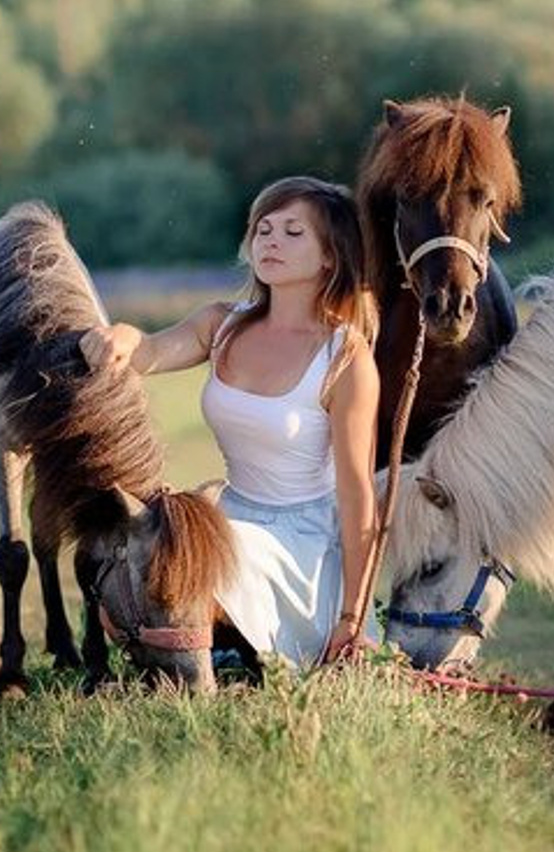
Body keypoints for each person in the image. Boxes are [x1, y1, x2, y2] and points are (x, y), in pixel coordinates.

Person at [79, 176, 380, 666]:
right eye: (263, 229)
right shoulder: (223, 325)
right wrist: (124, 337)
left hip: (301, 540)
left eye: (292, 231)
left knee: (194, 553)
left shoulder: (345, 357)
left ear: (331, 255)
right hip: (233, 514)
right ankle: (192, 646)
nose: (271, 241)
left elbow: (357, 495)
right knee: (147, 539)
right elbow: (152, 352)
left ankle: (227, 648)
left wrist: (353, 616)